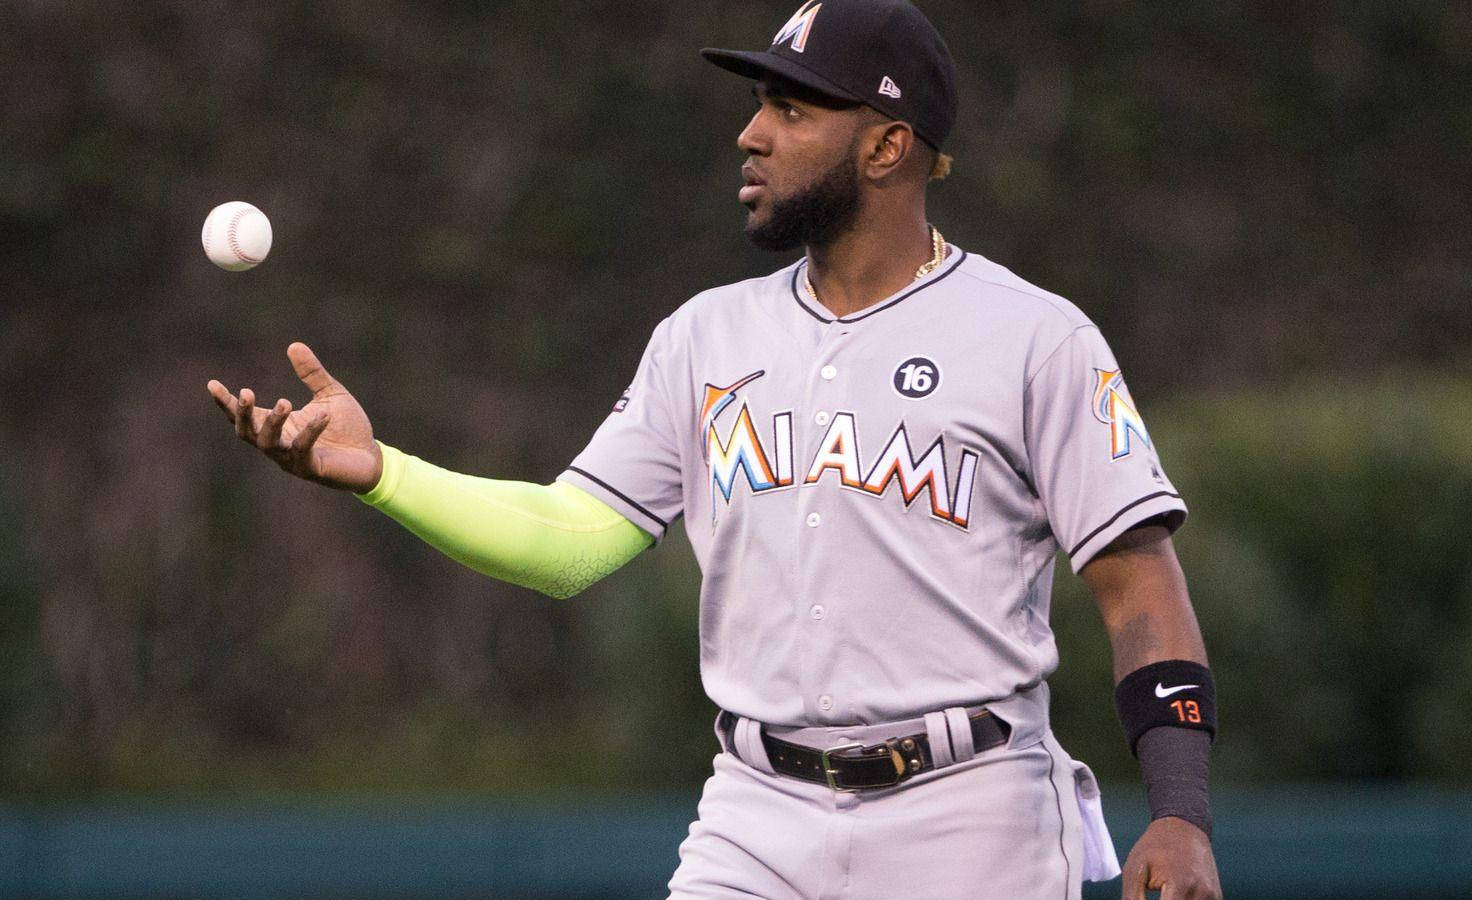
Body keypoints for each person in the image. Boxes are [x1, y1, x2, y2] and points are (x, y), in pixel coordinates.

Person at [207, 2, 1222, 897]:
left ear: (886, 147)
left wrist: (1178, 811)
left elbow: (1139, 590)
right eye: (759, 105)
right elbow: (570, 542)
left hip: (967, 818)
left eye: (791, 109)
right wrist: (386, 472)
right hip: (754, 818)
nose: (750, 133)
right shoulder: (705, 339)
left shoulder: (1033, 338)